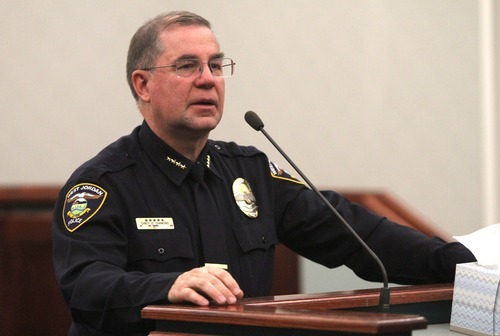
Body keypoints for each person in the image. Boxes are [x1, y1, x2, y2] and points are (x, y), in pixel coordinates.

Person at [52, 10, 476, 336]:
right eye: (187, 66)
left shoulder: (250, 171)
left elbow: (356, 235)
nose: (208, 80)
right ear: (143, 85)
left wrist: (467, 266)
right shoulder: (103, 184)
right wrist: (168, 286)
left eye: (216, 66)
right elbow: (86, 286)